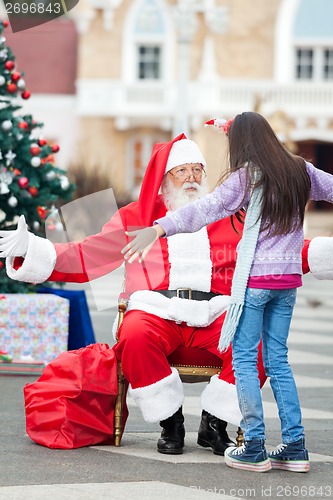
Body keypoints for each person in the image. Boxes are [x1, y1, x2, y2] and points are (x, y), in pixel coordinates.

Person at [0, 133, 330, 458]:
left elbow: (274, 251)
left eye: (197, 170)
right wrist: (31, 250)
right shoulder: (136, 217)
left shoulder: (227, 214)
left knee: (255, 343)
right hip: (155, 311)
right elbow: (89, 253)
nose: (191, 177)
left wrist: (322, 252)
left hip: (215, 313)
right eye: (181, 171)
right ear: (165, 178)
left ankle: (214, 423)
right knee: (134, 333)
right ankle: (169, 421)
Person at [122, 113, 333, 472]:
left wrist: (159, 228)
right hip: (287, 285)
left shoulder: (247, 176)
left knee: (245, 361)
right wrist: (235, 126)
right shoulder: (300, 170)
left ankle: (252, 445)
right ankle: (295, 447)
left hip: (254, 284)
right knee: (278, 362)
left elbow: (207, 208)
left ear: (243, 145)